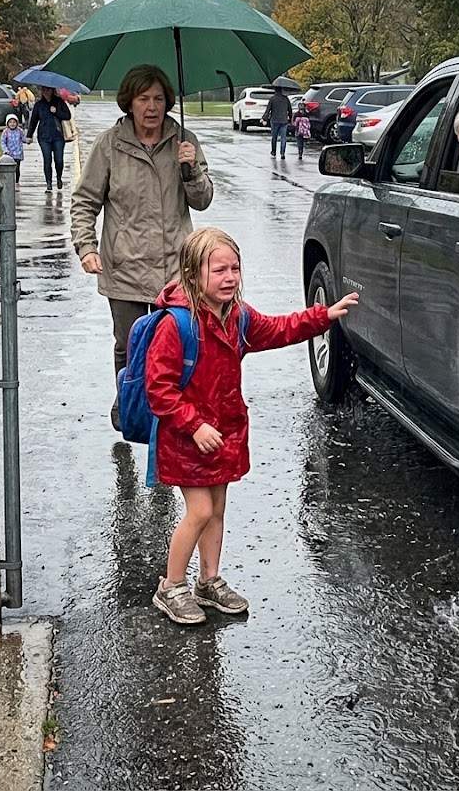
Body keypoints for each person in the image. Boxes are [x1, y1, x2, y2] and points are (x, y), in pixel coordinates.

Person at [145, 226, 359, 625]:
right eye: (218, 271)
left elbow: (278, 329)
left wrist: (322, 317)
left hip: (224, 431)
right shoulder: (175, 326)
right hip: (188, 439)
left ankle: (208, 581)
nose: (229, 278)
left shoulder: (237, 318)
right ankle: (171, 585)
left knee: (218, 509)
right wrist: (193, 426)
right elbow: (159, 390)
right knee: (200, 510)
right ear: (193, 276)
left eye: (235, 268)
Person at [70, 64, 214, 430]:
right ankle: (131, 400)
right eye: (143, 99)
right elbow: (85, 201)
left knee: (179, 344)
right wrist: (86, 247)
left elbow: (203, 200)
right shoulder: (109, 145)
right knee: (130, 345)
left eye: (159, 99)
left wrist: (191, 169)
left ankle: (172, 414)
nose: (152, 107)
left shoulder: (185, 141)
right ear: (129, 103)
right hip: (125, 265)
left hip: (177, 267)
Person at [25, 85, 71, 191]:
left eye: (47, 90)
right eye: (43, 90)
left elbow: (67, 115)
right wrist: (29, 135)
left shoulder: (59, 102)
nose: (45, 92)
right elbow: (33, 121)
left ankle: (59, 178)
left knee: (59, 160)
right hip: (44, 137)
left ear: (52, 90)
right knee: (47, 159)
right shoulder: (39, 105)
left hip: (58, 136)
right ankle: (48, 183)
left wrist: (57, 112)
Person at [0, 113, 28, 189]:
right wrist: (5, 150)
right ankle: (10, 181)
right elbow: (3, 142)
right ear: (7, 123)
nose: (12, 124)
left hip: (18, 153)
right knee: (9, 169)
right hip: (9, 154)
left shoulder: (19, 131)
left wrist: (27, 140)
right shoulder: (5, 132)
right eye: (10, 122)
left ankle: (16, 182)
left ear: (17, 123)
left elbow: (23, 138)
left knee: (17, 168)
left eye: (14, 122)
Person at [264, 87, 292, 159]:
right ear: (281, 90)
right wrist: (290, 118)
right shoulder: (286, 99)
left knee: (274, 137)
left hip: (274, 120)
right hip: (284, 120)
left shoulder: (272, 99)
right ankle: (282, 153)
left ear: (275, 91)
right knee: (283, 138)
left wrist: (265, 118)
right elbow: (290, 110)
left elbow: (268, 110)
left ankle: (273, 152)